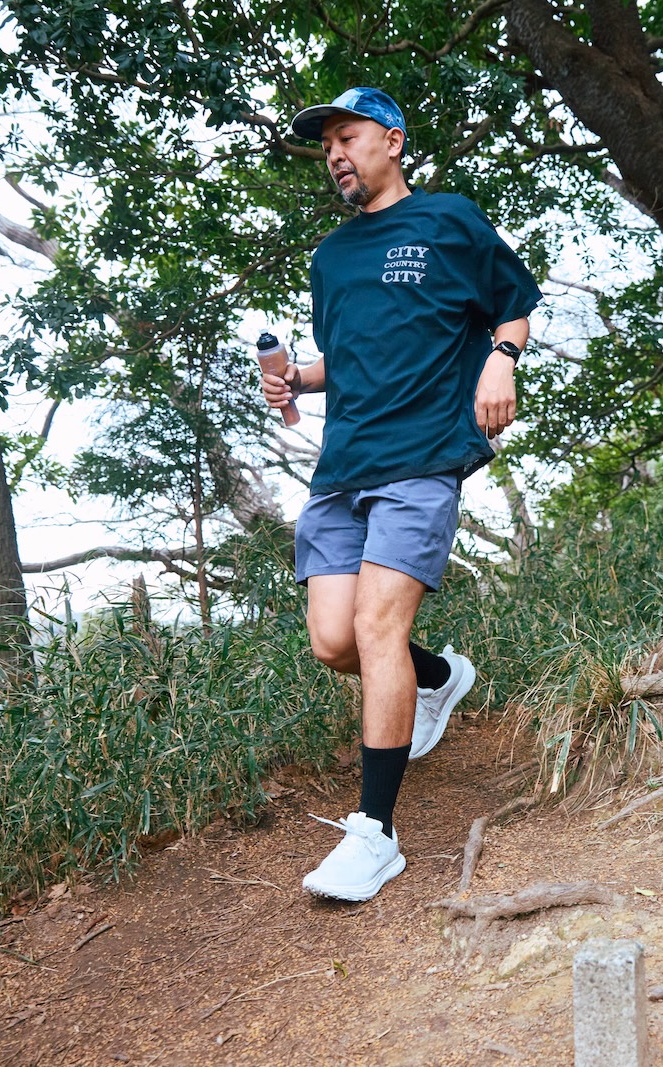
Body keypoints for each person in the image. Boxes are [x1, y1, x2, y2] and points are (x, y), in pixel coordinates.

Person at [261, 87, 542, 902]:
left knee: (378, 624)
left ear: (392, 140)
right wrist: (297, 380)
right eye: (326, 147)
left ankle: (374, 833)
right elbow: (350, 356)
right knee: (334, 640)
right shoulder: (331, 258)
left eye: (347, 137)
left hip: (421, 458)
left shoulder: (448, 220)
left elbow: (513, 306)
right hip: (342, 467)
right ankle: (438, 677)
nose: (335, 155)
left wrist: (501, 361)